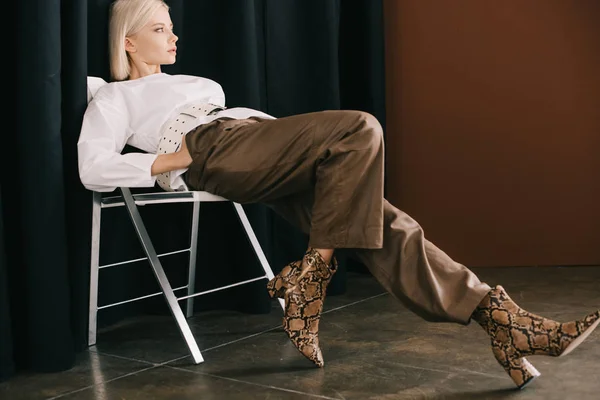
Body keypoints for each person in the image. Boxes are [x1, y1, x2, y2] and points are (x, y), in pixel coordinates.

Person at [78, 0, 599, 390]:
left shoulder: (200, 82)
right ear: (128, 40)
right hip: (213, 149)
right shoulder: (114, 95)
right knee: (359, 127)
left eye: (172, 26)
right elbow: (93, 167)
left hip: (261, 141)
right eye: (159, 27)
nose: (173, 36)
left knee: (388, 225)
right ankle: (315, 273)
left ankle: (503, 322)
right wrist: (173, 161)